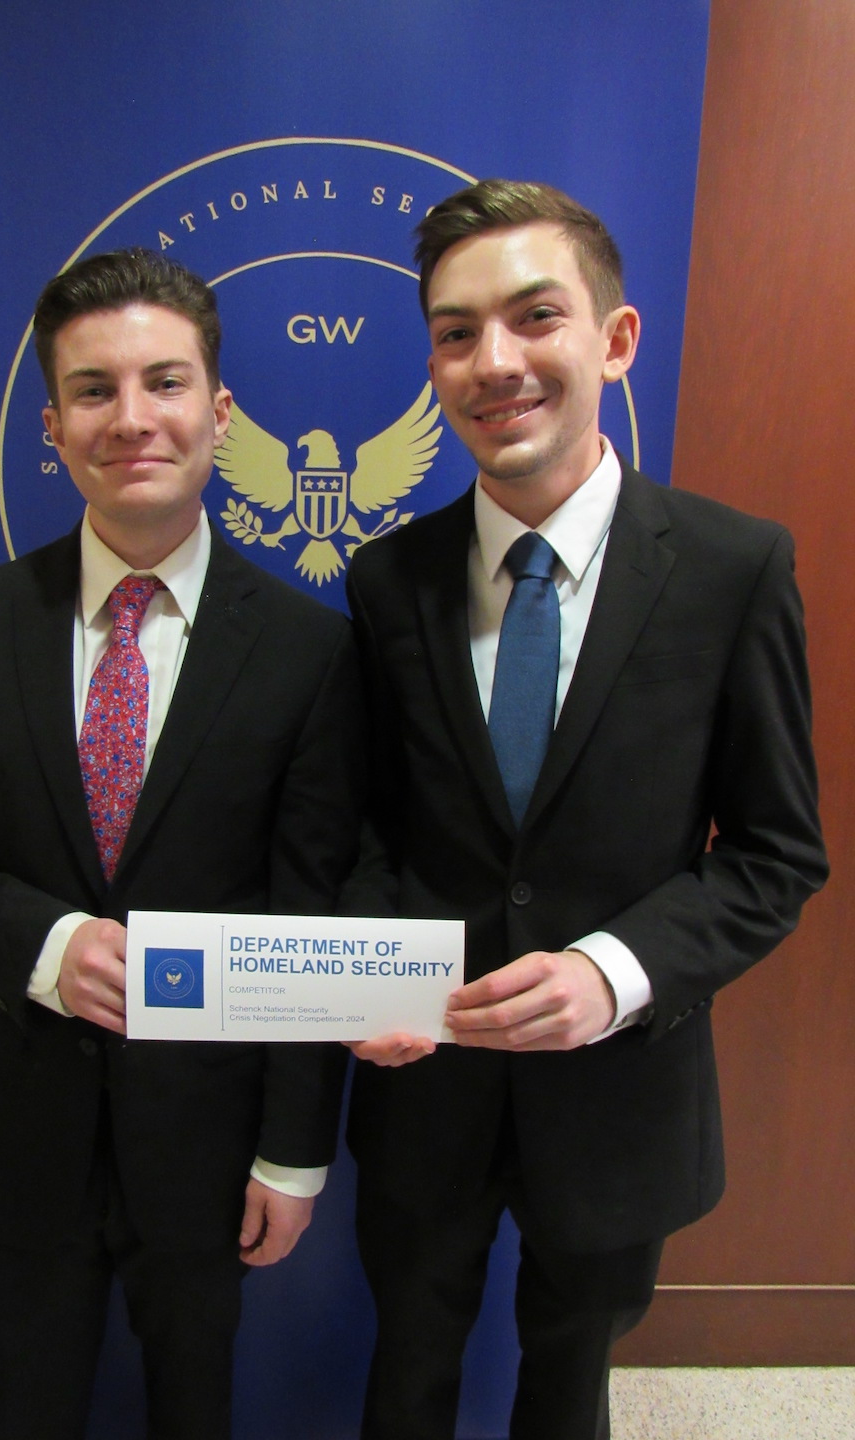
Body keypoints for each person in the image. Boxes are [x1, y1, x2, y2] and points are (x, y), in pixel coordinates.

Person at [342, 180, 828, 1440]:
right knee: (408, 1369)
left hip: (619, 1093)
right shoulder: (387, 580)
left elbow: (776, 853)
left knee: (571, 1382)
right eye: (454, 333)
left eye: (533, 317)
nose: (492, 362)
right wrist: (366, 974)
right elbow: (367, 826)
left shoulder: (733, 569)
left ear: (614, 342)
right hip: (423, 1080)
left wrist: (616, 972)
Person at [0, 247, 363, 1440]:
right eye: (93, 390)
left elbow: (314, 911)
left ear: (220, 411)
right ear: (51, 423)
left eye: (165, 382)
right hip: (15, 1133)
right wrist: (45, 944)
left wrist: (295, 1156)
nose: (131, 417)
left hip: (210, 1140)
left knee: (193, 1409)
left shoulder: (309, 651)